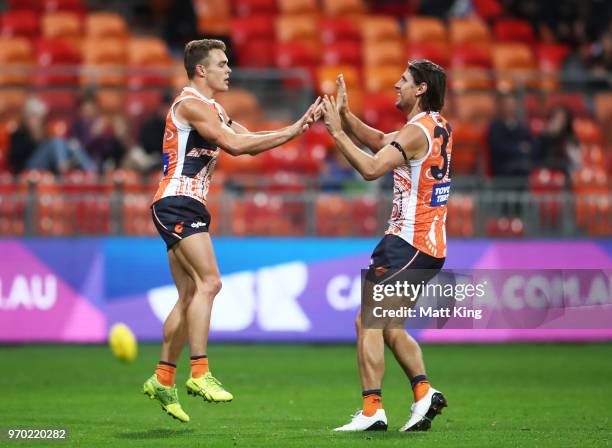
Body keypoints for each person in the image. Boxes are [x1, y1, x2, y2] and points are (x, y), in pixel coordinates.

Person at [142, 38, 319, 423]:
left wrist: (295, 128)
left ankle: (162, 378)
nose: (229, 70)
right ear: (201, 70)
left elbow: (249, 140)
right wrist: (291, 131)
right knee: (210, 283)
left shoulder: (214, 108)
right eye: (222, 64)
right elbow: (233, 145)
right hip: (177, 200)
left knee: (189, 294)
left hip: (184, 203)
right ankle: (200, 372)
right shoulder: (189, 104)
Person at [317, 60, 450, 432]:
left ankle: (372, 409)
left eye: (405, 81)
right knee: (390, 326)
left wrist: (336, 133)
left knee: (367, 321)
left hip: (406, 243)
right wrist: (346, 116)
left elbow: (373, 167)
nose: (396, 84)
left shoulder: (414, 132)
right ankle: (424, 394)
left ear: (421, 89)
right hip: (429, 245)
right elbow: (381, 141)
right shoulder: (435, 127)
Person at [8, 98, 94, 175]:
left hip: (47, 166)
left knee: (71, 144)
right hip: (27, 167)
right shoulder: (18, 134)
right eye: (32, 116)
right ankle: (63, 165)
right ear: (25, 117)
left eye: (37, 117)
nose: (34, 120)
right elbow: (15, 158)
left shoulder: (44, 132)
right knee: (56, 141)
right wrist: (32, 138)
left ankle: (91, 170)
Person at [487, 94, 535, 178]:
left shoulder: (521, 126)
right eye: (507, 105)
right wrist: (519, 149)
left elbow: (530, 144)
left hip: (522, 164)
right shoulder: (495, 127)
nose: (509, 108)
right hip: (502, 167)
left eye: (512, 105)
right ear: (501, 107)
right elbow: (499, 147)